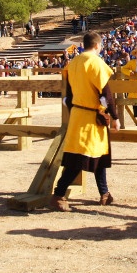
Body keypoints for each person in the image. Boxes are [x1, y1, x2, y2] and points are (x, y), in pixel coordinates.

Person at [50, 31, 119, 212]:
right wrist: (115, 117)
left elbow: (69, 93)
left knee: (99, 156)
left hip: (79, 115)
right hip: (89, 117)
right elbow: (106, 93)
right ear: (97, 45)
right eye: (101, 45)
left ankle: (105, 193)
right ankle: (58, 194)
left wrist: (74, 109)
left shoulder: (73, 63)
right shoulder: (96, 62)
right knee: (79, 159)